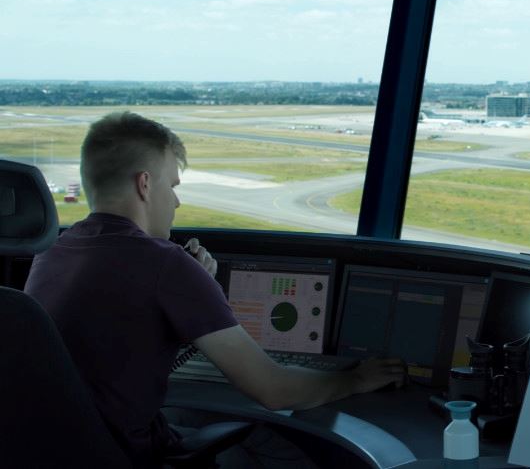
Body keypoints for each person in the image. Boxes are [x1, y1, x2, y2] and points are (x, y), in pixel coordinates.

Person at [24, 111, 405, 468]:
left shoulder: (50, 253)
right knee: (279, 448)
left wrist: (191, 298)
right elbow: (274, 390)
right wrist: (355, 379)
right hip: (128, 454)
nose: (175, 201)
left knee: (193, 416)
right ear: (144, 184)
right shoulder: (164, 262)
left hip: (56, 451)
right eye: (171, 185)